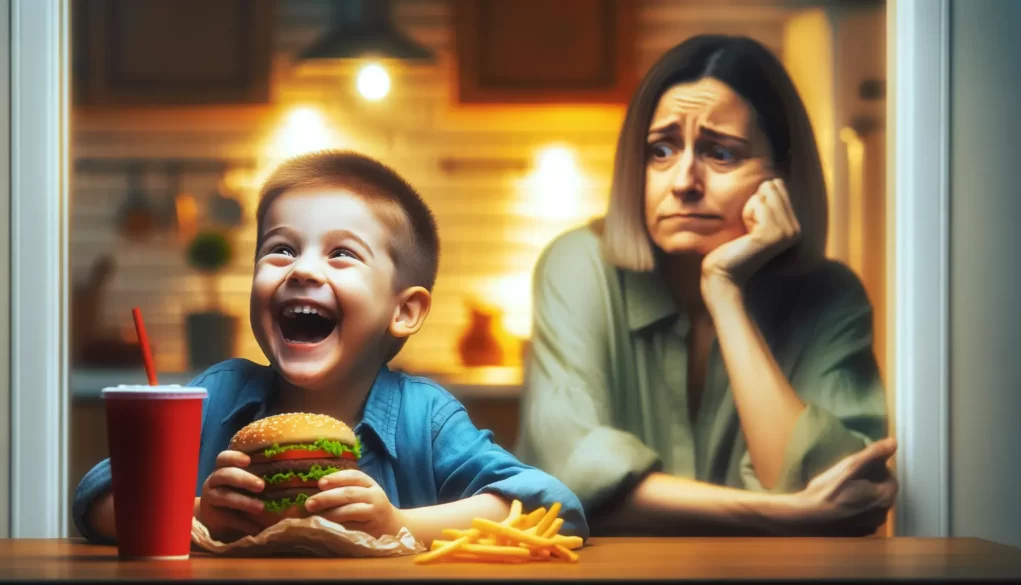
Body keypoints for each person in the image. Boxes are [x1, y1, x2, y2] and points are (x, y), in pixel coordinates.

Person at [73, 150, 588, 545]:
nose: (302, 269)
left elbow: (555, 509)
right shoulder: (219, 397)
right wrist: (197, 513)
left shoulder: (424, 420)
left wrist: (399, 522)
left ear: (404, 311)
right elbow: (97, 499)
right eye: (281, 249)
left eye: (342, 254)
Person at [515, 35, 897, 536]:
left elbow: (841, 493)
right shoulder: (578, 265)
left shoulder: (831, 296)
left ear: (783, 173)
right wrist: (785, 513)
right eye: (662, 150)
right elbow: (566, 476)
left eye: (721, 153)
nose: (683, 181)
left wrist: (725, 293)